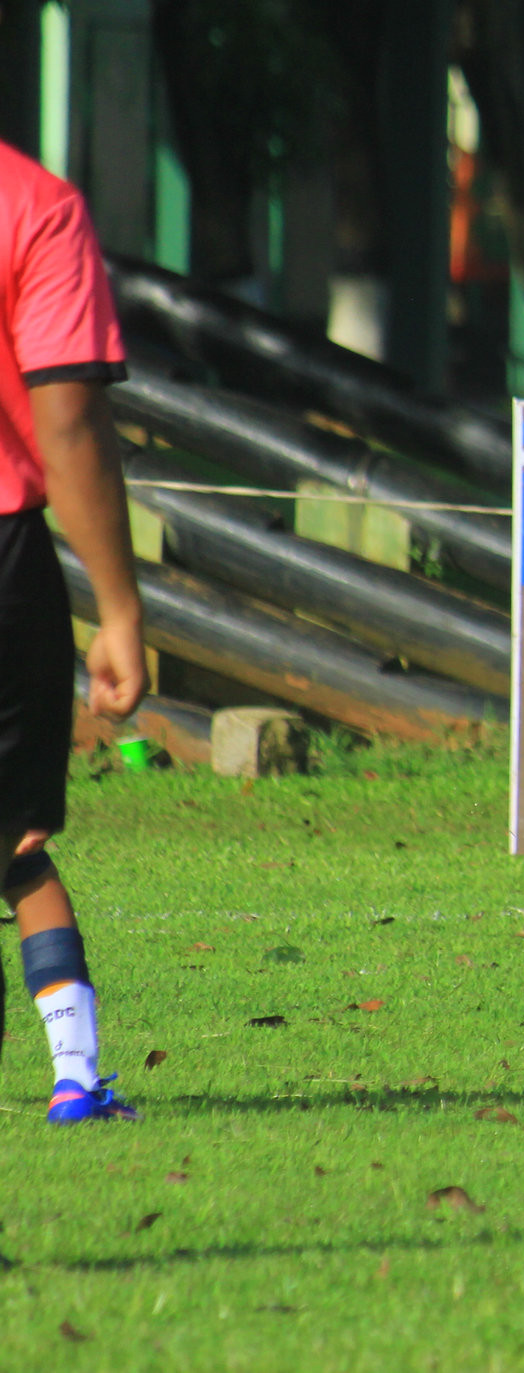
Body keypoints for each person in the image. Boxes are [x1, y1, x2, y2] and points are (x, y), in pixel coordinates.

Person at [0, 139, 144, 1121]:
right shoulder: (34, 205)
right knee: (16, 844)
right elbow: (69, 422)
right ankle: (77, 1075)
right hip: (4, 559)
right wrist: (120, 608)